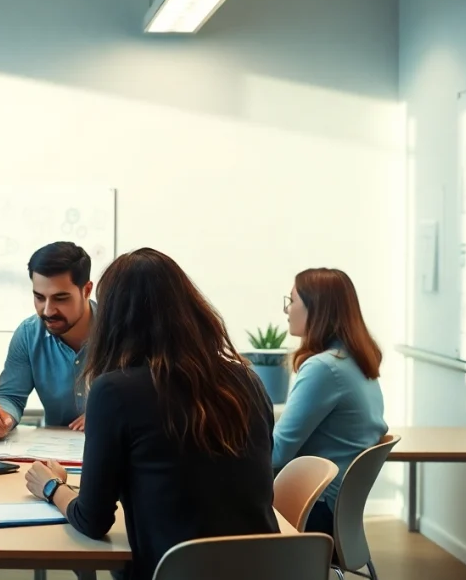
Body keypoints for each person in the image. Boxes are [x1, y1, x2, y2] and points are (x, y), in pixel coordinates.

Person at [24, 248, 279, 580]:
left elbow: (93, 520)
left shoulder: (114, 392)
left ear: (113, 319)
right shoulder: (246, 379)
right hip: (267, 569)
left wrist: (51, 486)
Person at [274, 267, 388, 535]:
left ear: (317, 309)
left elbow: (277, 453)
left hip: (313, 509)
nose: (287, 310)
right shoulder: (355, 361)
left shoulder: (324, 368)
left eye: (292, 301)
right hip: (336, 512)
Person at [0, 242, 95, 440]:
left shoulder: (120, 331)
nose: (48, 310)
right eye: (39, 297)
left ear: (86, 290)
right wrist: (2, 419)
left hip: (114, 451)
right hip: (55, 453)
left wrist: (107, 413)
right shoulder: (28, 334)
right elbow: (11, 397)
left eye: (61, 298)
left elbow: (150, 396)